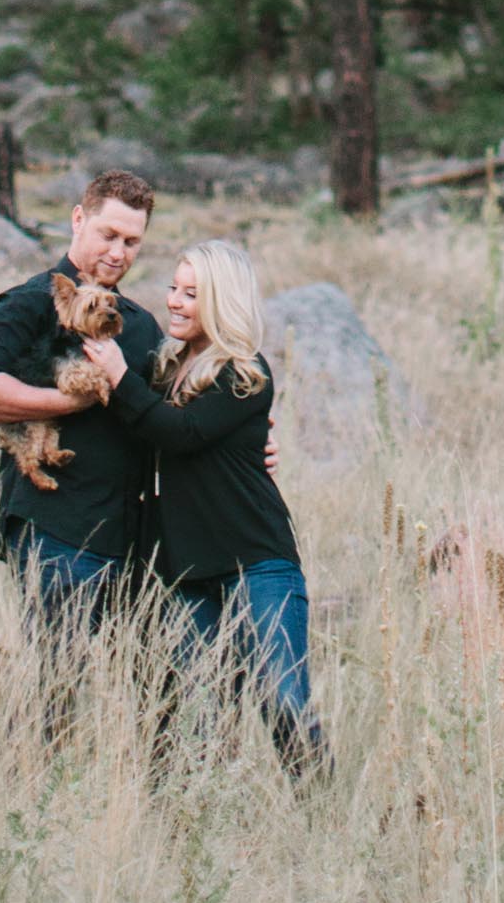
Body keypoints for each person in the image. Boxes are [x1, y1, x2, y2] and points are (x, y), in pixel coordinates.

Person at [81, 236, 329, 782]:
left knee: (283, 700)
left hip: (255, 563)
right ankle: (193, 837)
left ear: (220, 301)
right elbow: (139, 432)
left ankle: (326, 824)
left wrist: (120, 376)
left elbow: (180, 433)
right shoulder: (163, 368)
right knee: (198, 719)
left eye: (191, 294)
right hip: (187, 572)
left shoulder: (243, 372)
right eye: (173, 288)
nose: (174, 301)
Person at [0, 170, 165, 644]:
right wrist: (72, 400)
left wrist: (249, 438)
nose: (117, 252)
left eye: (131, 242)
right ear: (77, 220)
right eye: (108, 234)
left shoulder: (138, 324)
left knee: (143, 690)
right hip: (55, 528)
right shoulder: (27, 303)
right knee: (57, 687)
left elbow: (165, 407)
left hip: (130, 533)